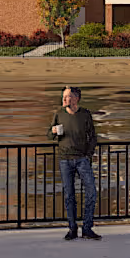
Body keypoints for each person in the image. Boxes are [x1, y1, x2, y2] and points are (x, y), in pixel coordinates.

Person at [51, 86, 101, 240]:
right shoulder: (59, 114)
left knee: (91, 192)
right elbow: (49, 134)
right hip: (65, 160)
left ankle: (87, 228)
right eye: (63, 96)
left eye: (67, 96)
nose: (64, 99)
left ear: (76, 98)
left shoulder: (85, 114)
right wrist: (52, 132)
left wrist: (88, 154)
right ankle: (72, 228)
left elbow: (92, 136)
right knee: (69, 195)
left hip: (82, 160)